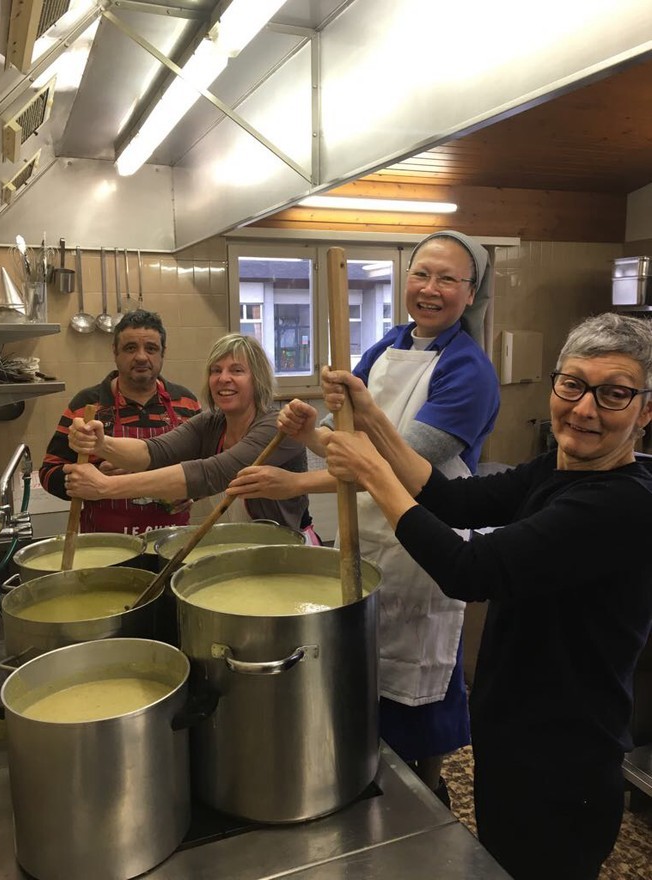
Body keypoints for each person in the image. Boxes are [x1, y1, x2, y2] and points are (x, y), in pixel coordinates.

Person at [314, 311, 652, 880]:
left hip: (564, 751)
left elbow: (470, 570)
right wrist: (371, 416)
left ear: (646, 411)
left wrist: (374, 476)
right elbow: (454, 501)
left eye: (613, 394)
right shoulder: (558, 468)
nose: (584, 409)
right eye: (572, 384)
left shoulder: (621, 504)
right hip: (514, 729)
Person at [226, 231, 500, 799]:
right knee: (370, 671)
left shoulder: (469, 371)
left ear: (471, 294)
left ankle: (429, 802)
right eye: (421, 273)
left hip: (426, 540)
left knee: (418, 684)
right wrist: (311, 432)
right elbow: (351, 445)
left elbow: (402, 465)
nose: (430, 289)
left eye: (448, 279)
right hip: (373, 534)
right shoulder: (385, 345)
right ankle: (376, 783)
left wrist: (296, 477)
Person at [65, 332, 316, 539]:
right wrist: (102, 444)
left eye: (237, 370)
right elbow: (154, 450)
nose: (223, 378)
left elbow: (211, 473)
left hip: (287, 548)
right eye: (216, 370)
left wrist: (105, 487)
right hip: (241, 545)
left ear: (257, 379)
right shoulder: (212, 423)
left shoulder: (279, 428)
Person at [39, 309, 201, 535]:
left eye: (151, 348)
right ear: (115, 352)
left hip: (172, 542)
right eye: (130, 348)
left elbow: (208, 467)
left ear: (163, 353)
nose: (142, 357)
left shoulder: (186, 403)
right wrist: (96, 476)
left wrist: (190, 491)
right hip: (106, 545)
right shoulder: (87, 406)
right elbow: (48, 473)